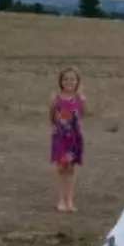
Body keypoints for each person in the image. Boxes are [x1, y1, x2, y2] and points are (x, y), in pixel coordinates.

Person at [49, 66, 87, 212]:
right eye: (65, 79)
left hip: (73, 138)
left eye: (72, 79)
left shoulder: (79, 99)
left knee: (70, 169)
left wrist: (83, 100)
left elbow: (83, 114)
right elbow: (51, 116)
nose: (69, 82)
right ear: (61, 81)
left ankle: (70, 200)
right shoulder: (56, 99)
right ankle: (60, 200)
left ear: (77, 81)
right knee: (60, 168)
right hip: (59, 137)